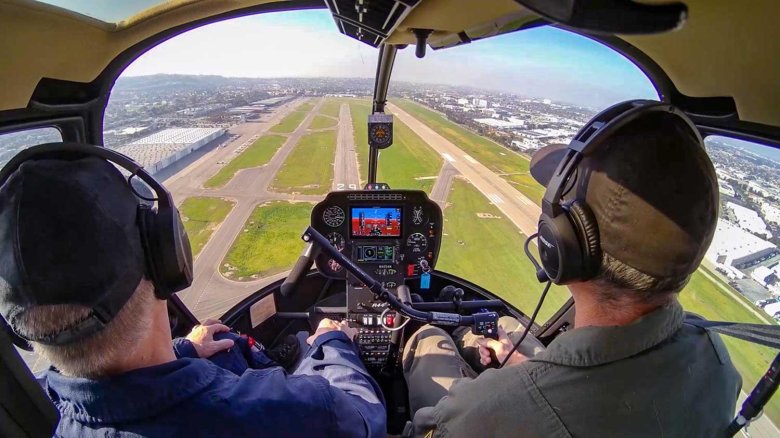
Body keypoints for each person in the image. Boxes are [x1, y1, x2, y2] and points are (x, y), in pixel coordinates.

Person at [402, 105, 741, 437]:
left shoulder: (480, 417)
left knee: (429, 338)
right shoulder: (715, 358)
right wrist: (525, 367)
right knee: (505, 325)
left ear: (563, 245)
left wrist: (347, 355)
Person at [0, 154, 386, 437]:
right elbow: (363, 415)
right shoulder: (292, 412)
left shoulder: (59, 416)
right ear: (168, 258)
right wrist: (332, 342)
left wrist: (183, 350)